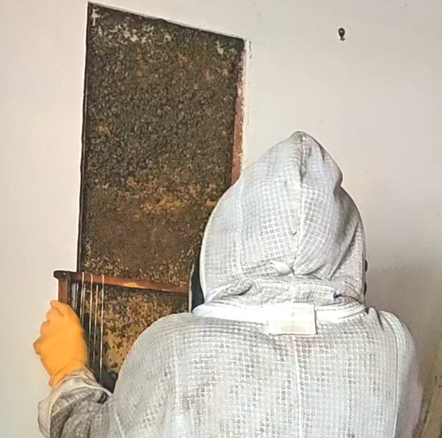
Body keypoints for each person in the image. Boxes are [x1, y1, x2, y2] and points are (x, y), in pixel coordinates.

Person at [33, 131, 422, 437]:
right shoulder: (393, 347)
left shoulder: (175, 348)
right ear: (350, 248)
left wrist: (68, 374)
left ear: (227, 237)